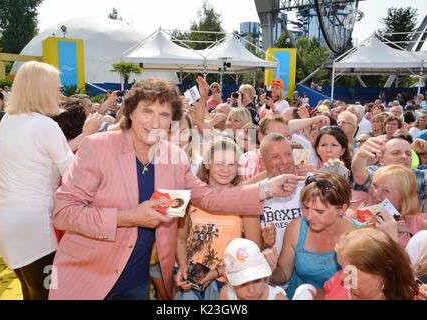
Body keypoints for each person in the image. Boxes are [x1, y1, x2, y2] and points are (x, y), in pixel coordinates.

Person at [48, 77, 304, 300]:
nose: (155, 122)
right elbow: (63, 212)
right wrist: (129, 217)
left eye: (164, 115)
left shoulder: (174, 156)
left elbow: (208, 197)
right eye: (147, 111)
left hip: (136, 281)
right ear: (131, 112)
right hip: (89, 273)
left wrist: (266, 189)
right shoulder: (98, 147)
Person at [0, 61, 75, 300]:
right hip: (33, 227)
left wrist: (86, 137)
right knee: (49, 294)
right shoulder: (45, 125)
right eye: (58, 88)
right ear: (42, 90)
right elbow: (72, 172)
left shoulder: (9, 120)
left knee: (30, 290)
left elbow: (46, 155)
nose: (62, 93)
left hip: (4, 222)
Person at [175, 137, 261, 300]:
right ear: (207, 163)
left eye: (231, 164)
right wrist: (183, 267)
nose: (225, 169)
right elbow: (180, 238)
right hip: (191, 278)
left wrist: (217, 272)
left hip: (228, 280)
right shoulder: (191, 196)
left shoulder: (246, 200)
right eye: (219, 163)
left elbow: (253, 249)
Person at [270, 172, 355, 299]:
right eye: (305, 207)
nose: (309, 217)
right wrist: (267, 269)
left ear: (342, 209)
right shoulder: (296, 229)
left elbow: (359, 289)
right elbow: (283, 275)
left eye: (319, 211)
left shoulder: (360, 238)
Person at [323, 228, 418, 300]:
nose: (342, 277)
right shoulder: (338, 281)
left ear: (382, 274)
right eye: (341, 267)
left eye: (350, 272)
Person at [352, 165, 426, 247]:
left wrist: (392, 236)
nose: (375, 193)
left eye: (386, 191)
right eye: (375, 185)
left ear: (403, 199)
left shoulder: (421, 223)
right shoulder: (361, 214)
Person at [218, 238, 287, 300]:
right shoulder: (227, 294)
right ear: (227, 279)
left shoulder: (278, 298)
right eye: (242, 283)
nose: (251, 290)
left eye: (257, 280)